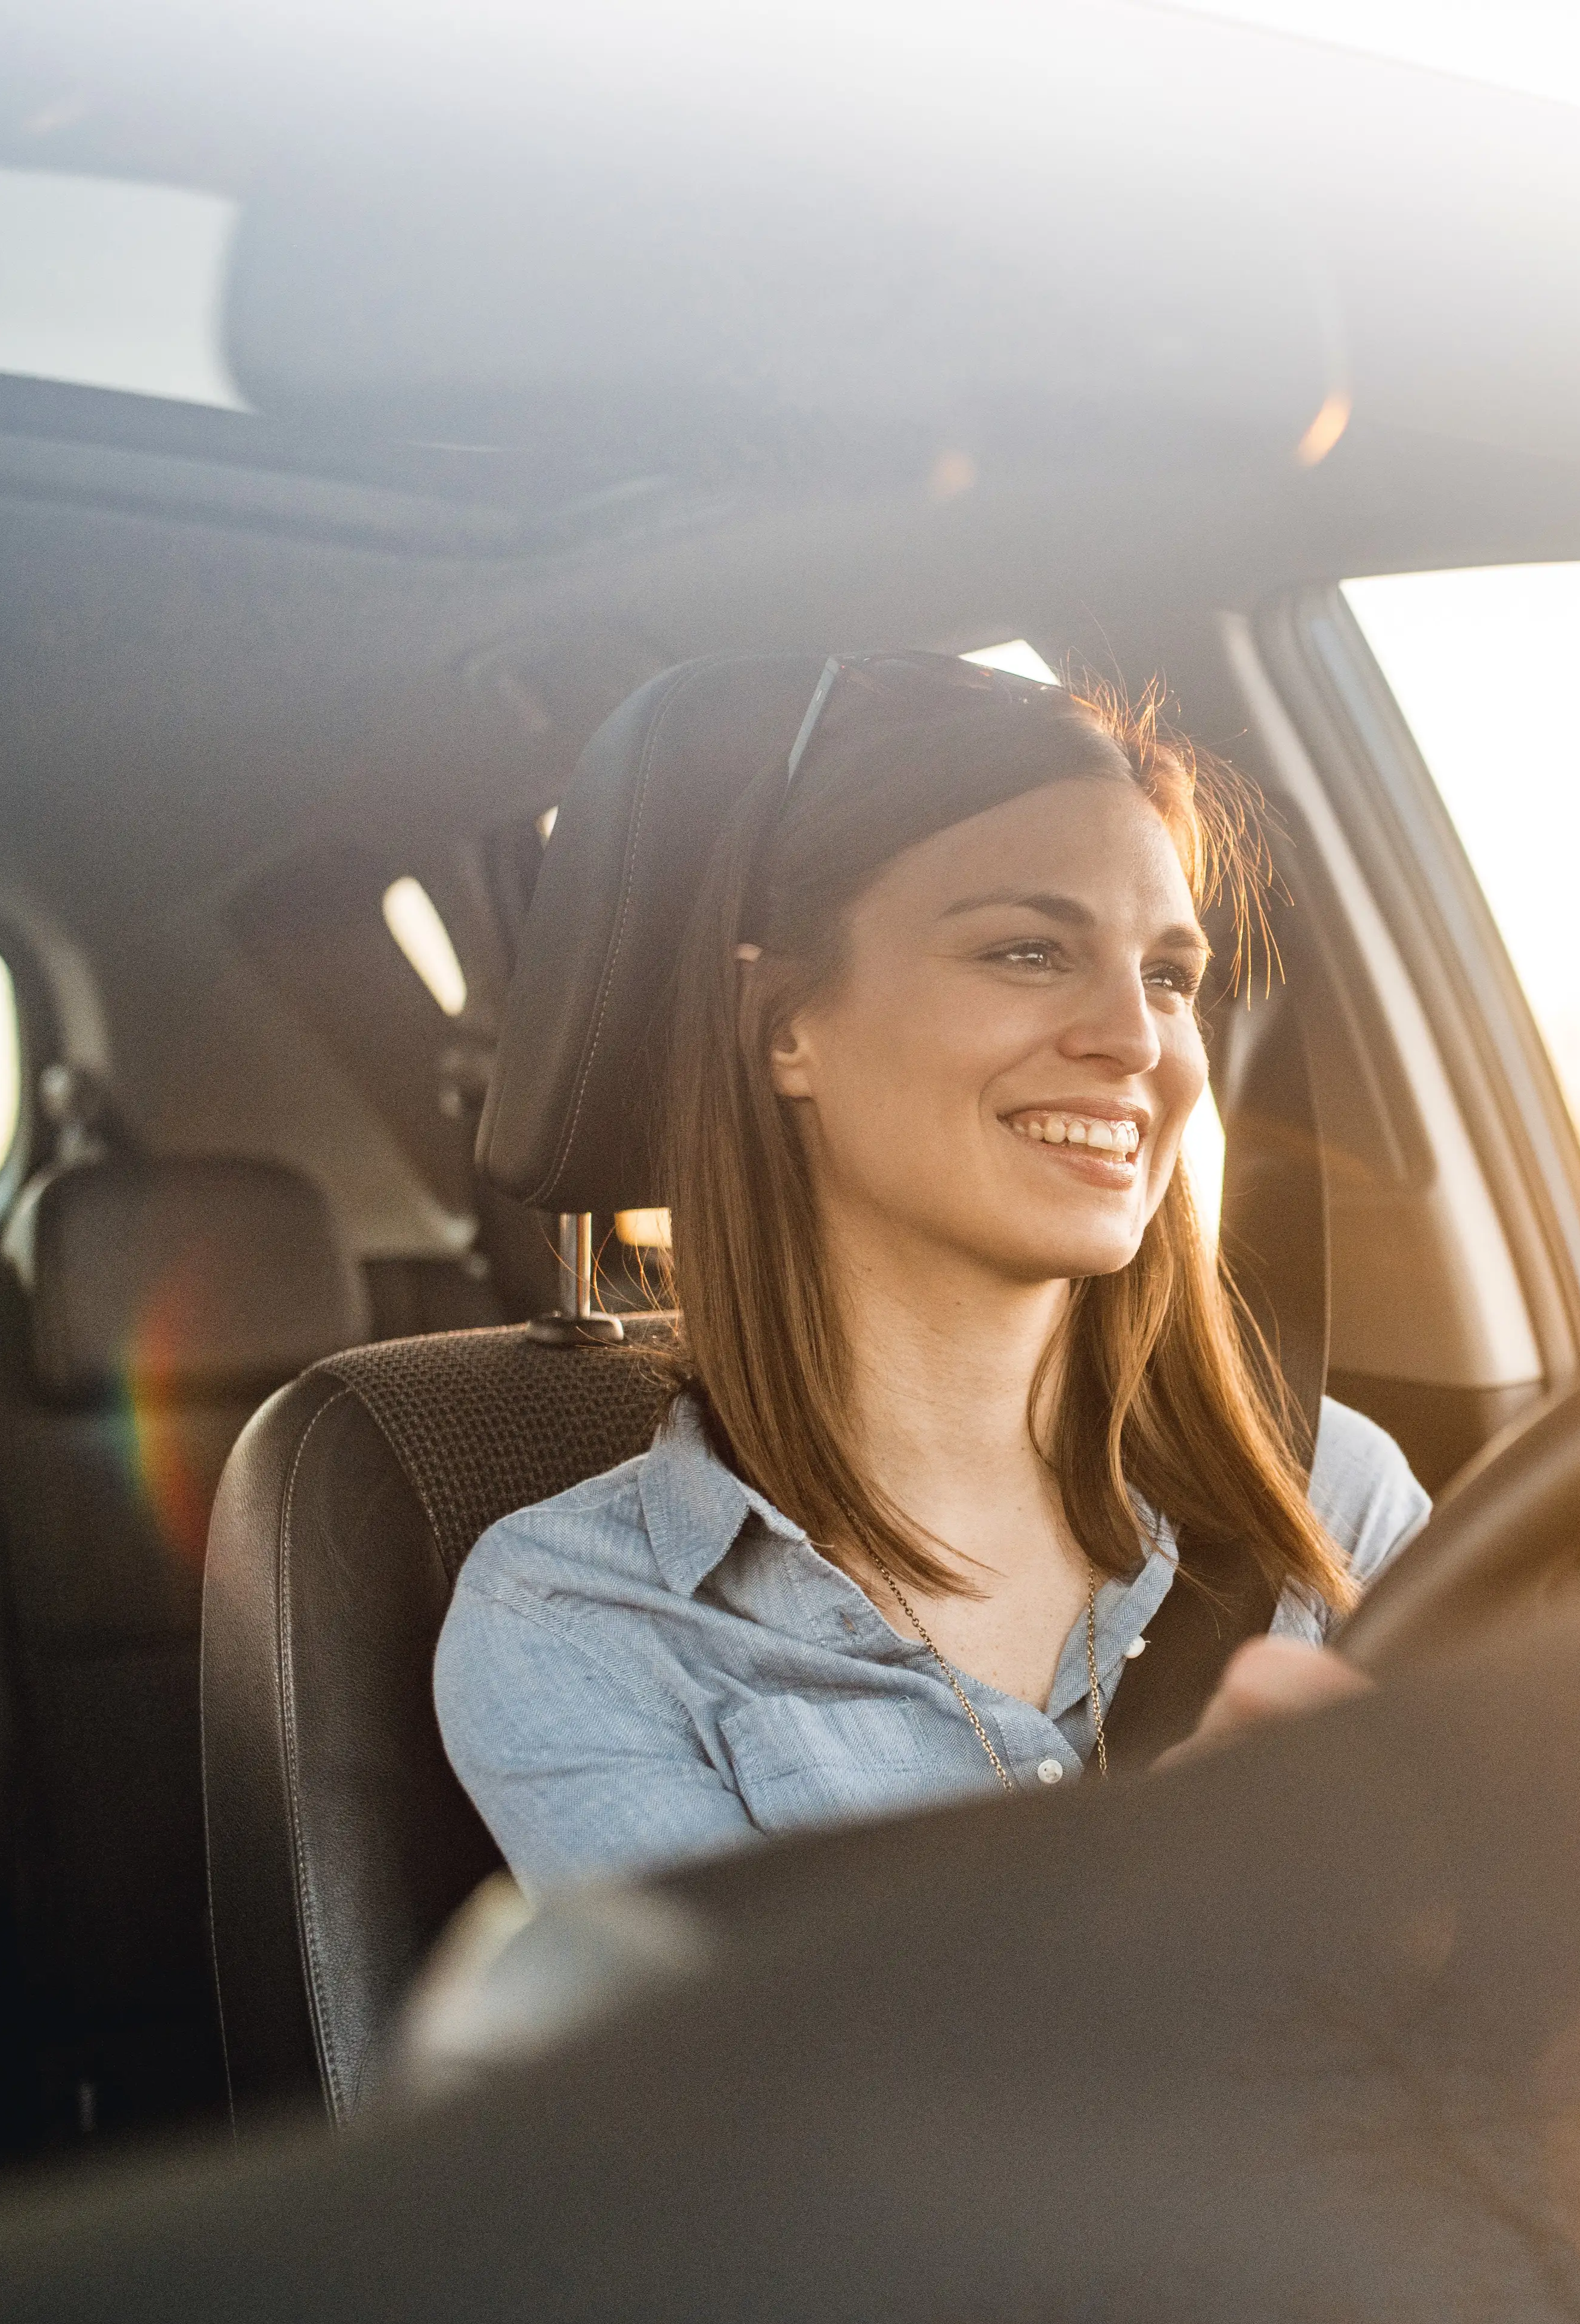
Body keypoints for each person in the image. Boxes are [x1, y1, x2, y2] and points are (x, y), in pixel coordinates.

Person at [436, 654, 1428, 1898]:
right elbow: (778, 2094)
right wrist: (1181, 1898)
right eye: (1028, 951)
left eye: (1169, 976)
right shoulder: (580, 1620)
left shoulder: (1331, 1497)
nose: (1137, 1041)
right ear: (786, 1024)